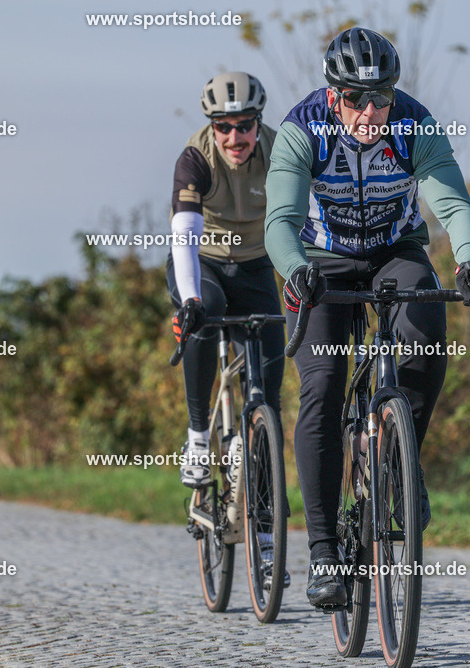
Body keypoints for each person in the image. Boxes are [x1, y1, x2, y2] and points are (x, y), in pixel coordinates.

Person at [264, 27, 470, 609]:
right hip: (322, 260)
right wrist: (296, 269)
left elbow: (453, 205)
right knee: (321, 388)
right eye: (354, 99)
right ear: (332, 93)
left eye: (381, 98)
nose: (370, 113)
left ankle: (401, 461)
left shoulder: (414, 124)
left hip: (395, 251)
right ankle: (322, 551)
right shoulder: (301, 131)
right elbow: (279, 223)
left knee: (425, 334)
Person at [167, 71, 288, 586]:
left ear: (258, 125)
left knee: (269, 405)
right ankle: (198, 436)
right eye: (225, 128)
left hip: (258, 265)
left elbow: (307, 215)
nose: (235, 138)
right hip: (204, 264)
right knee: (204, 316)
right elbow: (185, 234)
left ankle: (266, 535)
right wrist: (191, 299)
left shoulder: (281, 152)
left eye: (245, 127)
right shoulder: (195, 159)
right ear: (212, 128)